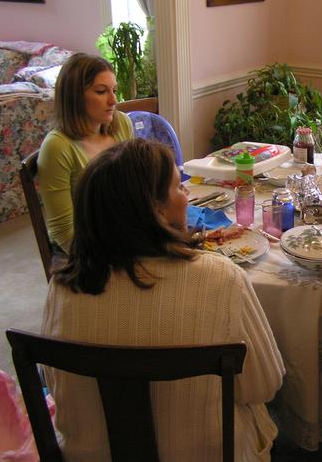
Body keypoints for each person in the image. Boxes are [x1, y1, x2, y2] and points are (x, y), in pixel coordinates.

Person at [41, 138, 285, 462]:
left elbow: (58, 388)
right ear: (155, 209)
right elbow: (264, 385)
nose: (186, 195)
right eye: (178, 187)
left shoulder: (61, 288)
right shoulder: (223, 279)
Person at [38, 53, 134, 254]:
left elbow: (136, 186)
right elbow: (63, 232)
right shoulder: (57, 147)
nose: (113, 100)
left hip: (125, 233)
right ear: (75, 96)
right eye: (101, 91)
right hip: (86, 250)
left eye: (114, 90)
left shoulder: (122, 124)